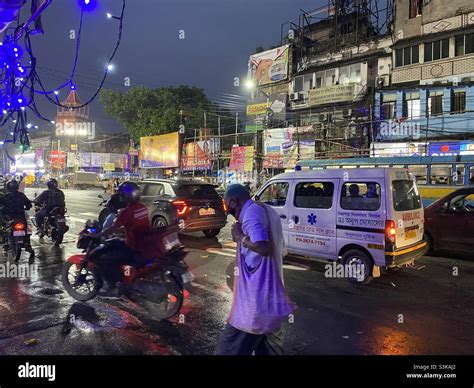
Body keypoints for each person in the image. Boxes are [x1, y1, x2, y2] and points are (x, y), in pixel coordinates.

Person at [216, 184, 294, 355]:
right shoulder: (259, 209)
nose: (226, 208)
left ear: (234, 201)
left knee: (228, 349)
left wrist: (240, 237)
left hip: (253, 305)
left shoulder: (251, 214)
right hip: (268, 301)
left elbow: (262, 246)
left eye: (226, 204)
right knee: (269, 347)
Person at [92, 181, 151, 298]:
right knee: (117, 245)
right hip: (144, 243)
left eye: (122, 195)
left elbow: (113, 228)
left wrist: (98, 235)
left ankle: (113, 288)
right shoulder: (142, 207)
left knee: (105, 259)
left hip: (133, 246)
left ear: (125, 196)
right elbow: (135, 224)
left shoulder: (127, 211)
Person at [0, 180, 34, 261]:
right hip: (20, 217)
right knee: (27, 230)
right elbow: (29, 205)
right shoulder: (21, 195)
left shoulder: (5, 196)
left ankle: (5, 241)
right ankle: (27, 244)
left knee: (4, 228)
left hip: (9, 217)